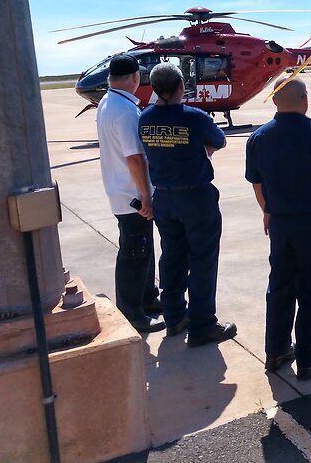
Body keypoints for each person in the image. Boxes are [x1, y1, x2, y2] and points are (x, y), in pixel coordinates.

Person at [245, 77, 311, 381]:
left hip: (279, 225)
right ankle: (309, 357)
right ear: (305, 100)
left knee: (279, 287)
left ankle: (276, 351)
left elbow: (257, 182)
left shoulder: (259, 138)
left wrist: (267, 210)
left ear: (274, 102)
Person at [139, 63, 236, 347]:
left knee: (171, 256)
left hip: (165, 198)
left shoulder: (145, 118)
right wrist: (203, 149)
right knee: (203, 259)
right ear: (181, 86)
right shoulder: (195, 117)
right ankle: (203, 323)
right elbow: (219, 140)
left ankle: (174, 316)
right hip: (195, 197)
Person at [95, 54, 163, 333]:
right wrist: (146, 195)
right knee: (134, 253)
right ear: (135, 78)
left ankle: (147, 297)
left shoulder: (109, 102)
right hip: (131, 194)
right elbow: (135, 157)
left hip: (122, 189)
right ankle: (132, 312)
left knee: (143, 248)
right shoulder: (124, 110)